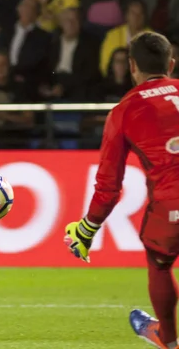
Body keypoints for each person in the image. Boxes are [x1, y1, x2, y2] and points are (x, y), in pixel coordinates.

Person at [64, 31, 179, 349]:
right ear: (171, 64)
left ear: (131, 67)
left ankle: (168, 338)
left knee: (160, 263)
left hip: (171, 206)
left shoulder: (124, 111)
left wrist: (86, 230)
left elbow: (109, 187)